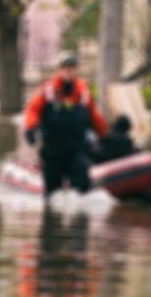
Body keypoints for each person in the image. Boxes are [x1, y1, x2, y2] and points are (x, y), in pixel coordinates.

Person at [23, 54, 108, 197]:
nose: (70, 71)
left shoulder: (83, 92)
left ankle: (81, 216)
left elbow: (94, 116)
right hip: (53, 149)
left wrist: (104, 135)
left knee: (82, 187)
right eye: (66, 68)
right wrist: (30, 128)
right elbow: (32, 109)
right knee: (52, 192)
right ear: (59, 71)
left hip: (77, 148)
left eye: (73, 68)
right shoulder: (47, 91)